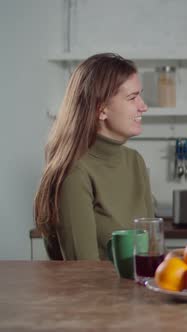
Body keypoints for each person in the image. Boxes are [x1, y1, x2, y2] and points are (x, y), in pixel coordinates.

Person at [34, 53, 154, 260]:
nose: (143, 106)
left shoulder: (135, 161)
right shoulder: (75, 172)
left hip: (137, 291)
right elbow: (84, 274)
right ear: (101, 109)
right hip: (95, 292)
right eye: (132, 98)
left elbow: (151, 252)